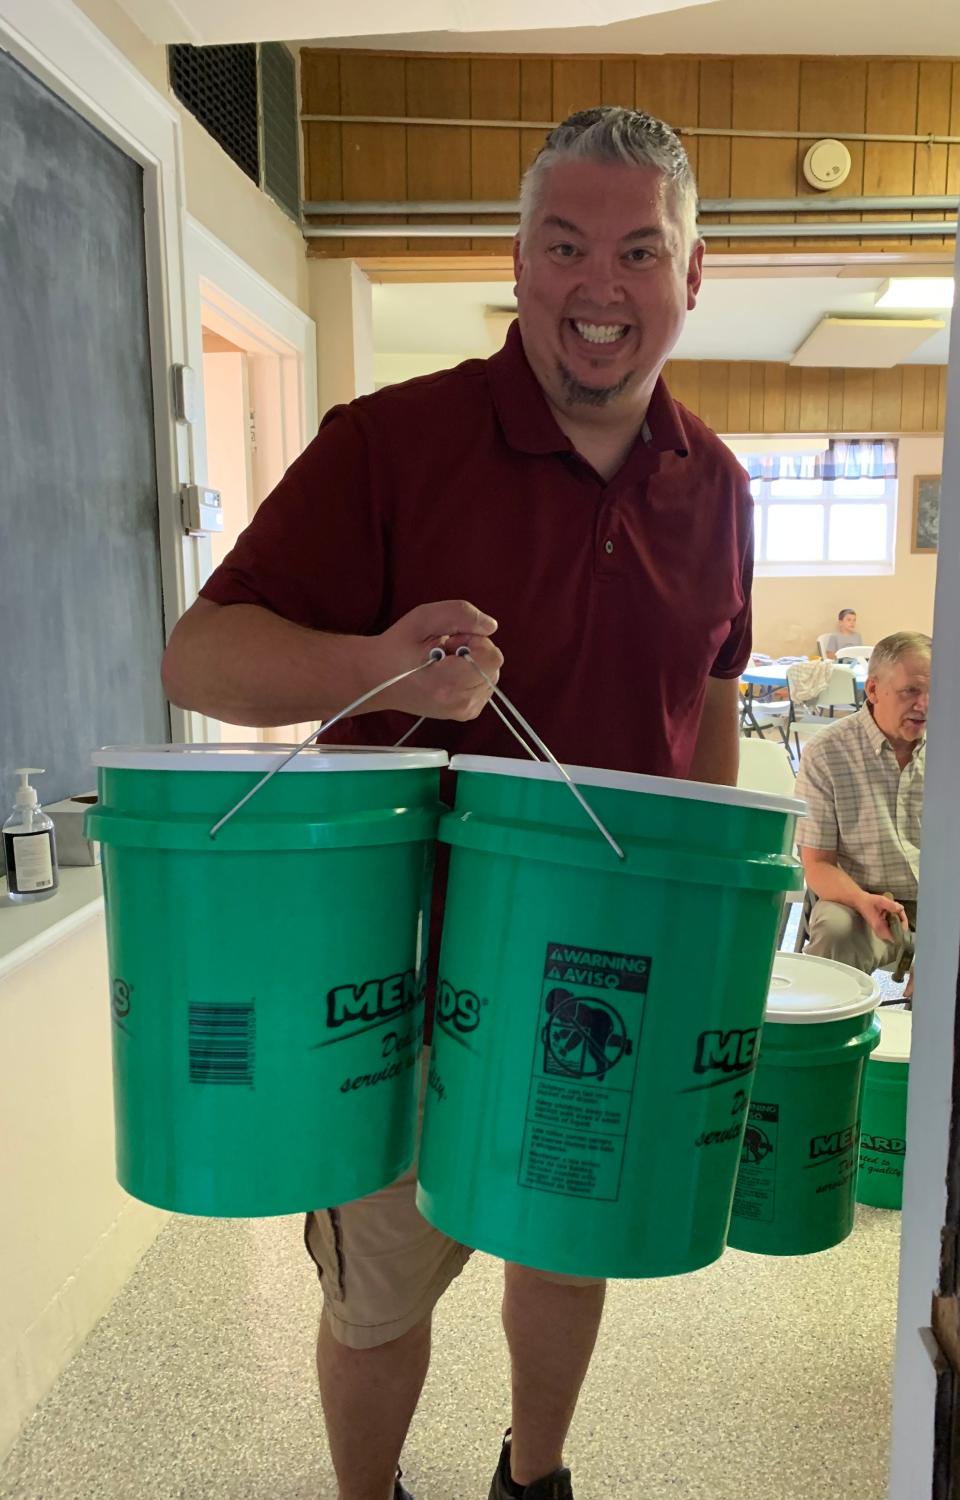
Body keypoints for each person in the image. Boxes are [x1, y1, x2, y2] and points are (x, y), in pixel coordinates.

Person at [161, 106, 754, 1500]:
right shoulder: (391, 444)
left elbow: (711, 700)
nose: (598, 288)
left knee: (566, 1251)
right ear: (519, 260)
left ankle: (531, 1476)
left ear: (691, 274)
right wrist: (374, 667)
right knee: (378, 1294)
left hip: (602, 979)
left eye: (636, 250)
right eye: (564, 247)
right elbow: (199, 653)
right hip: (398, 975)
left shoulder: (716, 485)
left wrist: (698, 938)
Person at [795, 632, 930, 986]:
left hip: (941, 900)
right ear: (872, 690)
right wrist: (862, 900)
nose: (926, 704)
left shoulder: (949, 746)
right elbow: (818, 865)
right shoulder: (826, 753)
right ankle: (826, 1038)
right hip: (861, 898)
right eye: (911, 691)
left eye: (937, 691)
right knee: (836, 932)